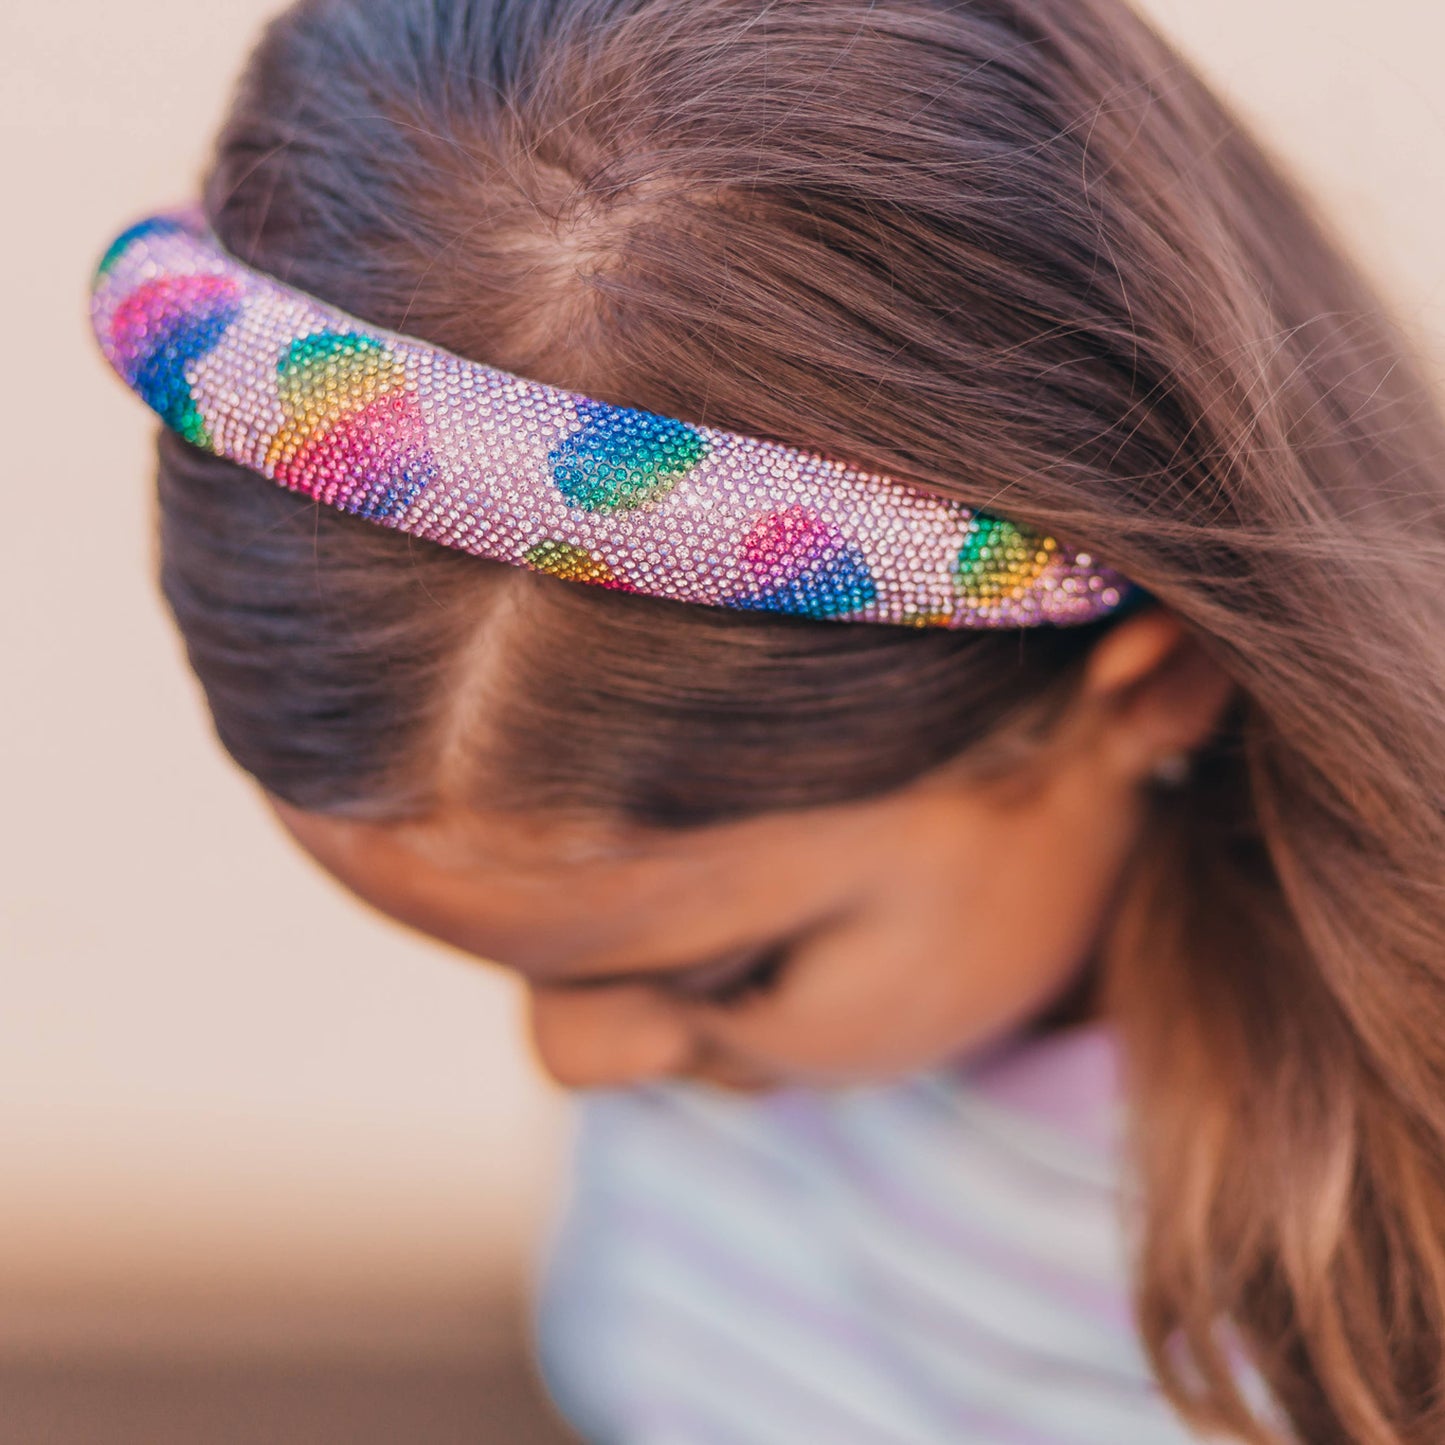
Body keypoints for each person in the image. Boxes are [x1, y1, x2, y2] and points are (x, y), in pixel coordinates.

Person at [88, 0, 1445, 1440]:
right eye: (523, 967)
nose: (578, 1062)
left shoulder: (1373, 1223)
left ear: (1150, 687)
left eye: (730, 972)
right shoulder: (727, 978)